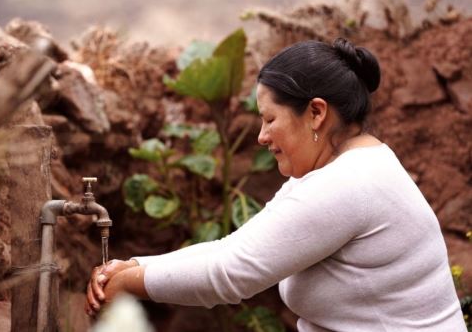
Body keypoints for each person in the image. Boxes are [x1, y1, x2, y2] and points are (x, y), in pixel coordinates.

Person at [85, 38, 467, 331]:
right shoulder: (341, 168)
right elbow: (232, 247)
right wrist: (134, 265)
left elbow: (229, 273)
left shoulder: (350, 184)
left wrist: (130, 284)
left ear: (316, 113)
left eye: (270, 119)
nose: (262, 136)